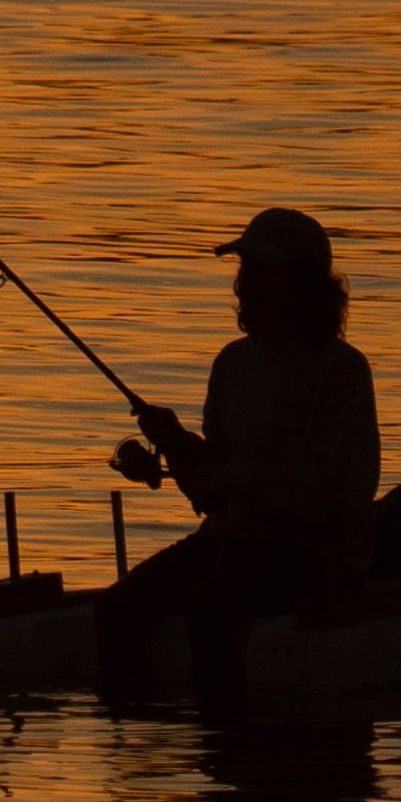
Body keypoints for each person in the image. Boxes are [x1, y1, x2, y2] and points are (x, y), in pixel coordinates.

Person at [95, 205, 381, 686]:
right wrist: (177, 445)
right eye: (245, 270)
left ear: (302, 285)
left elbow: (336, 491)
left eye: (260, 272)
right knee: (115, 608)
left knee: (206, 605)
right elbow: (210, 491)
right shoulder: (232, 364)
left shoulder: (341, 371)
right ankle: (132, 737)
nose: (244, 285)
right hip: (229, 540)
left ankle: (224, 743)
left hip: (310, 555)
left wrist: (229, 477)